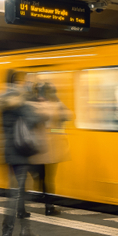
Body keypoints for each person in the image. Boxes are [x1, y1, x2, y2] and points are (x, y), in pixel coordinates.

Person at [0, 72, 47, 236]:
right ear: (17, 82)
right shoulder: (19, 100)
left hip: (9, 152)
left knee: (17, 192)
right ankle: (7, 234)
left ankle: (20, 231)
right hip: (20, 152)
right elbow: (34, 119)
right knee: (17, 194)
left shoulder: (3, 100)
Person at [29, 82, 71, 216]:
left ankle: (40, 193)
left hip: (38, 146)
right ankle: (49, 206)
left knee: (42, 175)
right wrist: (54, 130)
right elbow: (69, 115)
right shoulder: (55, 105)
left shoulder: (33, 105)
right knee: (49, 178)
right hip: (52, 148)